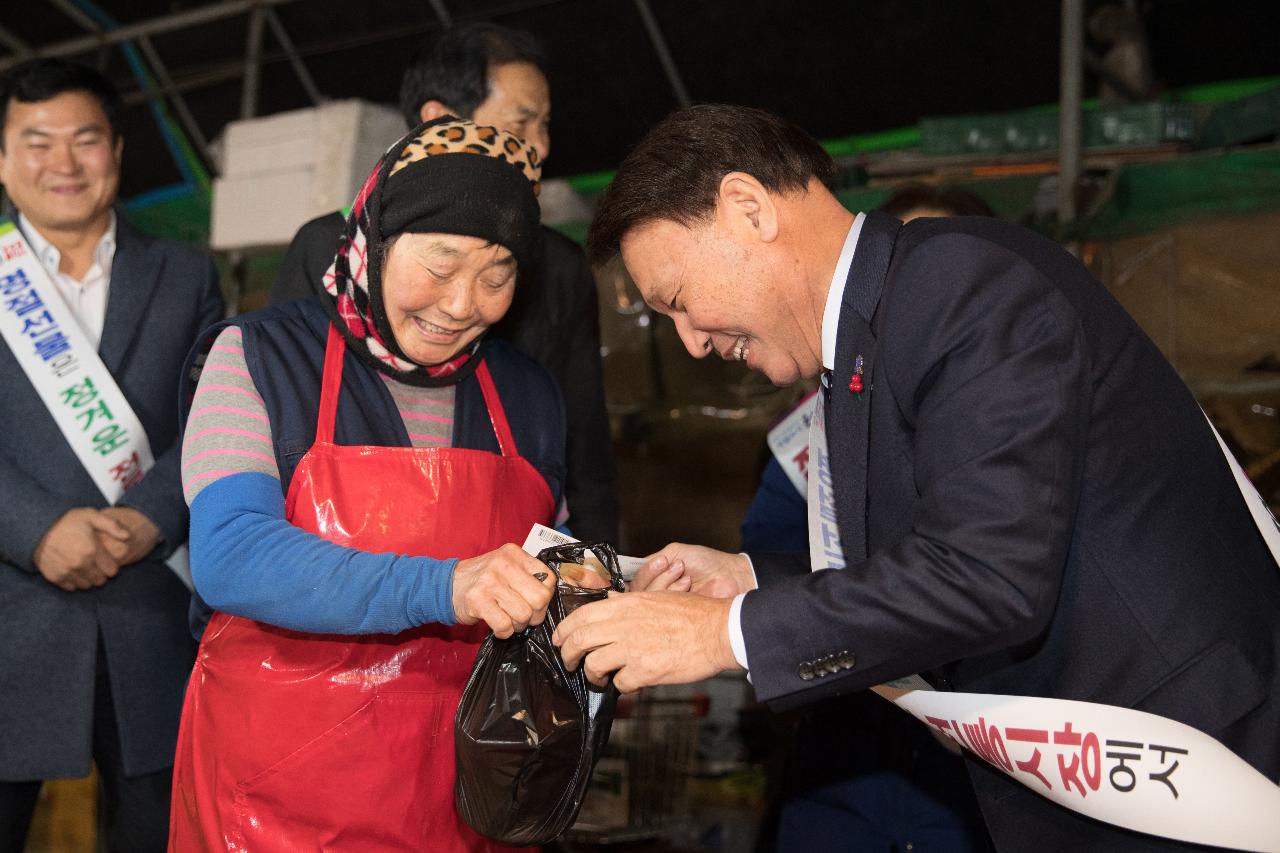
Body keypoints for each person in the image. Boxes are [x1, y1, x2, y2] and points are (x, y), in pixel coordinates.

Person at [553, 104, 1280, 851]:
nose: (693, 342)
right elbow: (928, 558)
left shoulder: (958, 285)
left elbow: (988, 574)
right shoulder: (869, 334)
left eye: (678, 301)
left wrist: (725, 634)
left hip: (1186, 772)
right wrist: (751, 580)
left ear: (748, 208)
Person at [170, 117, 575, 851]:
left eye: (497, 275)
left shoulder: (530, 396)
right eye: (441, 263)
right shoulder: (260, 358)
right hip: (278, 801)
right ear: (376, 240)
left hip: (466, 798)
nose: (461, 305)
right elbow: (232, 554)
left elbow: (552, 559)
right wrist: (447, 586)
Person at [270, 22, 618, 543]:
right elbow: (281, 421)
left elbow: (582, 447)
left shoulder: (558, 267)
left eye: (497, 277)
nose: (541, 148)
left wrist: (595, 566)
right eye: (522, 124)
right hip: (342, 557)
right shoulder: (327, 249)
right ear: (439, 120)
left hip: (507, 563)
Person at [0, 59, 224, 852]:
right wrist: (32, 528)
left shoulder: (187, 274)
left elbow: (215, 420)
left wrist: (149, 514)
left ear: (117, 151)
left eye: (84, 140)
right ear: (1, 158)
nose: (63, 164)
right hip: (9, 614)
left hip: (149, 614)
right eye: (36, 143)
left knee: (159, 831)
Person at [742, 185, 996, 853]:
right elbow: (768, 548)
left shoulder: (1006, 413)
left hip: (982, 773)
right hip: (847, 757)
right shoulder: (817, 425)